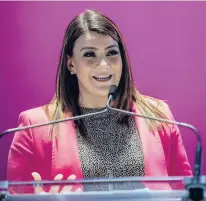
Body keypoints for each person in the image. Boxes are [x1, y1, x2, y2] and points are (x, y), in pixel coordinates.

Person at [7, 9, 192, 194]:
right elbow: (16, 196)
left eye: (112, 52)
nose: (104, 64)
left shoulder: (160, 115)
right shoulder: (33, 127)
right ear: (71, 64)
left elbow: (186, 192)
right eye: (89, 54)